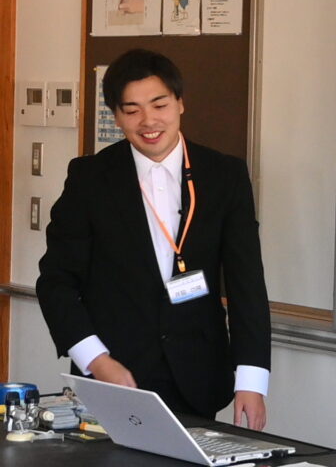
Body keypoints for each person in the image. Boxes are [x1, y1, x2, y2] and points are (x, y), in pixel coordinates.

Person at [36, 49, 272, 430]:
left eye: (159, 105)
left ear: (180, 103)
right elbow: (56, 282)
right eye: (132, 110)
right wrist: (96, 360)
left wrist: (252, 379)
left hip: (198, 374)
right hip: (114, 374)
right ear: (116, 116)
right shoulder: (90, 178)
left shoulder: (224, 176)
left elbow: (247, 282)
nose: (148, 121)